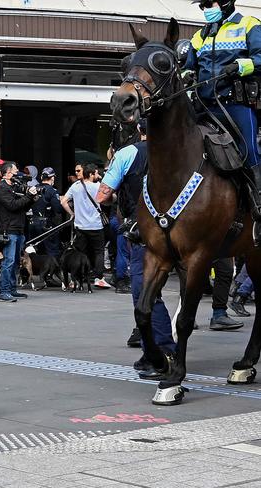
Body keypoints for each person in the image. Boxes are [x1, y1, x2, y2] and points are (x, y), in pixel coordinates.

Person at [97, 127, 177, 378]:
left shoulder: (127, 153)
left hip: (143, 231)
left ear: (140, 129)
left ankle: (160, 351)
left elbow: (103, 195)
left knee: (145, 292)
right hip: (178, 229)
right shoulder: (175, 153)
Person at [185, 0, 261, 240]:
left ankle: (259, 208)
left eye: (209, 3)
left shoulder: (249, 24)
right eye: (202, 6)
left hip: (235, 104)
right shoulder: (199, 36)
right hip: (204, 105)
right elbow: (189, 66)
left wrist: (240, 65)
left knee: (248, 150)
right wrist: (186, 75)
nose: (206, 9)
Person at [61, 162, 111, 289]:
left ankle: (78, 277)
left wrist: (72, 213)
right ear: (92, 174)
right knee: (99, 252)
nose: (98, 175)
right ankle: (99, 278)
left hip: (80, 226)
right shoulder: (98, 186)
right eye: (96, 173)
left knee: (80, 252)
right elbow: (109, 199)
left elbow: (63, 201)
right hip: (96, 226)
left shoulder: (75, 186)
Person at [0, 161, 38, 302]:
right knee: (8, 261)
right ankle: (4, 291)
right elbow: (13, 205)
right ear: (7, 173)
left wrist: (32, 197)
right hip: (8, 230)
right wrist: (28, 196)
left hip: (18, 228)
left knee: (15, 262)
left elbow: (23, 207)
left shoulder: (14, 187)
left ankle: (12, 289)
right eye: (15, 171)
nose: (18, 173)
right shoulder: (1, 188)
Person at [30, 167, 64, 257]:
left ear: (41, 177)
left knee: (37, 250)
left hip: (33, 222)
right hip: (46, 224)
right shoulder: (51, 191)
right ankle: (53, 270)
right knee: (52, 250)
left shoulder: (34, 188)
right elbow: (58, 209)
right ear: (52, 178)